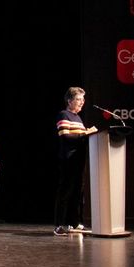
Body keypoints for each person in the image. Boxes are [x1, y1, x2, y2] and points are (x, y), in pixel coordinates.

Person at [54, 86, 97, 235]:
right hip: (68, 159)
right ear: (69, 100)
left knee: (78, 192)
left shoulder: (78, 118)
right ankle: (59, 225)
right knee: (65, 192)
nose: (82, 102)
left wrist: (87, 135)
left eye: (83, 99)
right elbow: (65, 136)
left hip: (79, 160)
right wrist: (85, 134)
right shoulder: (64, 115)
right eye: (78, 99)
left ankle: (75, 223)